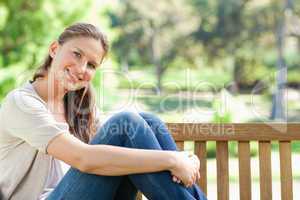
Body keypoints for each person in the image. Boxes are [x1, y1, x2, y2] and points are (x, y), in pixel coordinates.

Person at [0, 22, 207, 200]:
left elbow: (120, 141)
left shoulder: (79, 107)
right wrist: (174, 159)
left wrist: (179, 160)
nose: (81, 69)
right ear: (54, 49)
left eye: (91, 65)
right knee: (127, 122)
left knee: (148, 120)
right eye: (77, 54)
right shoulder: (22, 103)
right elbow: (84, 158)